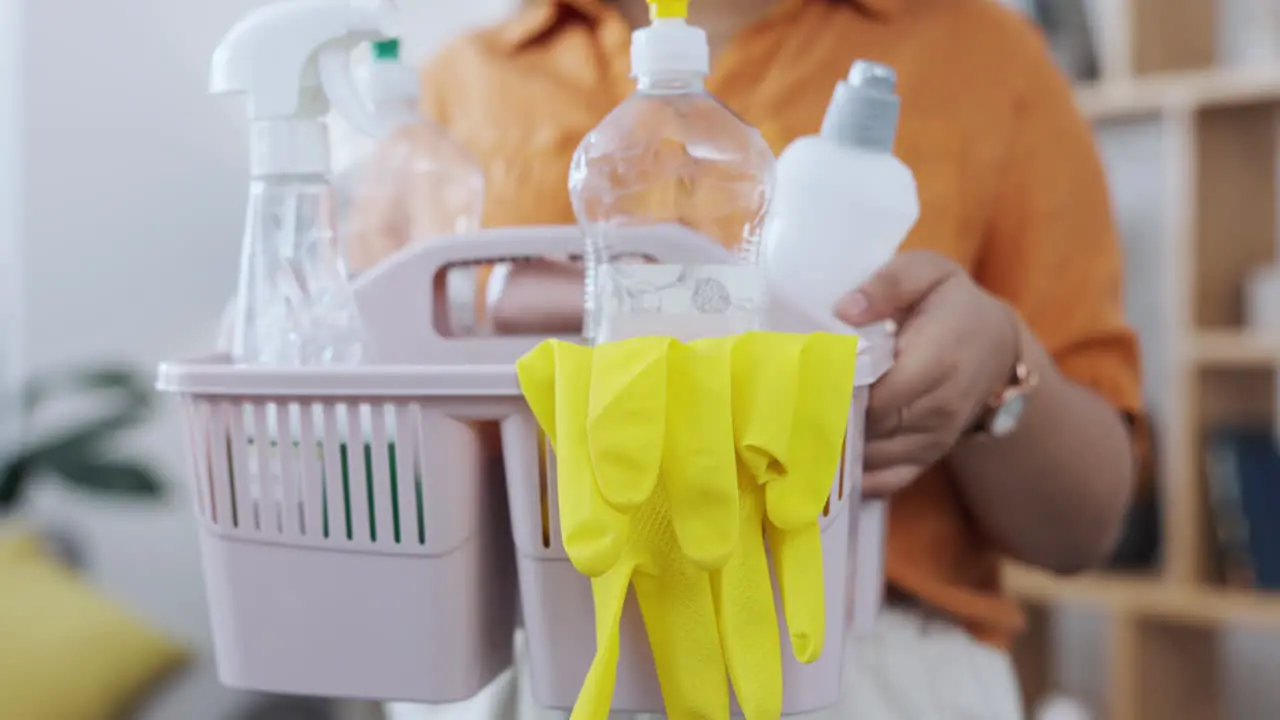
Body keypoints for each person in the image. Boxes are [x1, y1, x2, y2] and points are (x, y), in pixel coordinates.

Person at [362, 0, 1144, 717]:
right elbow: (376, 433)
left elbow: (1086, 527)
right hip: (533, 656)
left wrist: (997, 369)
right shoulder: (454, 92)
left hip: (847, 662)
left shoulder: (983, 57)